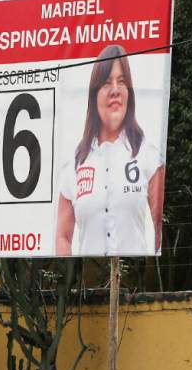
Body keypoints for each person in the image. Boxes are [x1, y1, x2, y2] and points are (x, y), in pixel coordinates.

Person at [56, 44, 165, 256]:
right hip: (89, 285)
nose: (115, 90)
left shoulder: (149, 156)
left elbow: (161, 226)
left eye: (122, 81)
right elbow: (62, 237)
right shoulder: (75, 163)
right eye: (106, 83)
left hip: (134, 285)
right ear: (93, 94)